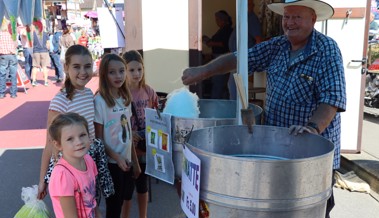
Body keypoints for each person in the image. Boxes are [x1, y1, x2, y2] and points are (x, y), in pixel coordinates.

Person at [182, 1, 346, 217]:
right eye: (286, 17)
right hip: (274, 151)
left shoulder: (327, 49)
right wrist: (203, 71)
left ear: (313, 19)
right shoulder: (277, 45)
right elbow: (239, 59)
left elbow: (332, 99)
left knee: (306, 209)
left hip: (308, 156)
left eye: (297, 17)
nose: (289, 22)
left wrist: (313, 128)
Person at [37, 45, 114, 217]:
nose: (83, 72)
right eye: (76, 67)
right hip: (71, 166)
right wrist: (42, 180)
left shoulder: (88, 93)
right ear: (66, 67)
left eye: (87, 66)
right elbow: (49, 144)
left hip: (89, 161)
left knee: (91, 204)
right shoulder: (60, 101)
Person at [94, 53, 141, 218]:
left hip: (127, 161)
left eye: (122, 71)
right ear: (104, 75)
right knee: (114, 207)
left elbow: (127, 134)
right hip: (112, 164)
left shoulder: (125, 98)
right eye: (112, 72)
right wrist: (116, 157)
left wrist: (135, 162)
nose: (118, 76)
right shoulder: (100, 101)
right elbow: (98, 140)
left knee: (124, 199)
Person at [122, 50, 159, 218]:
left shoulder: (149, 91)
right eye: (131, 70)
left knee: (143, 187)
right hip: (127, 150)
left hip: (145, 148)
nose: (136, 74)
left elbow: (158, 116)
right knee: (127, 190)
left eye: (139, 69)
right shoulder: (120, 94)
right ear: (124, 70)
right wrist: (131, 134)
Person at [48, 112, 97, 217]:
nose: (79, 142)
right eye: (70, 139)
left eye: (82, 135)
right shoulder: (63, 175)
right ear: (58, 144)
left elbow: (92, 199)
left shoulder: (89, 160)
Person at [227, 0, 263, 100]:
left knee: (235, 86)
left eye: (247, 4)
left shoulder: (251, 19)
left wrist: (257, 59)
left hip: (244, 59)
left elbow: (258, 39)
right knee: (233, 85)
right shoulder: (244, 17)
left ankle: (236, 111)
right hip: (238, 58)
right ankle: (235, 109)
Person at [202, 10, 233, 99]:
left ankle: (215, 104)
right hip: (218, 57)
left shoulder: (227, 30)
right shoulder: (222, 30)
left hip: (221, 58)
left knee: (218, 83)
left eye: (217, 20)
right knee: (219, 83)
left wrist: (210, 43)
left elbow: (224, 44)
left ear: (222, 20)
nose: (216, 22)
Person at [0, 18, 18, 99]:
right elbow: (16, 44)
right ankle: (13, 93)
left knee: (2, 74)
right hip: (12, 55)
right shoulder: (12, 33)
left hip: (3, 55)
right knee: (13, 74)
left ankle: (1, 93)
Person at [31, 20, 50, 87]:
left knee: (35, 66)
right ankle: (46, 82)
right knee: (44, 67)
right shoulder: (45, 33)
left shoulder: (33, 34)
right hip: (44, 51)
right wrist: (47, 49)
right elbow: (48, 44)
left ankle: (33, 81)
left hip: (36, 51)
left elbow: (31, 43)